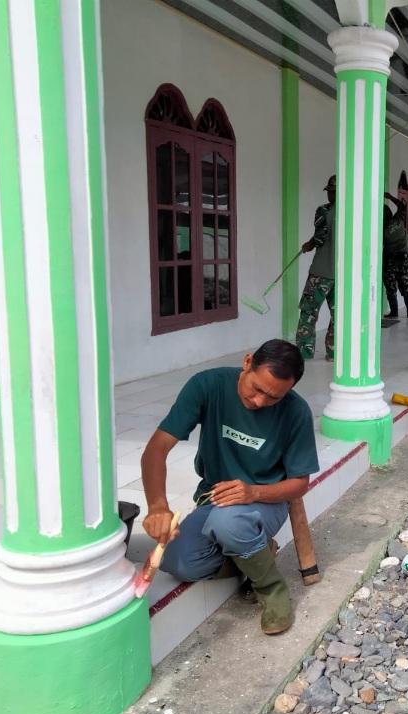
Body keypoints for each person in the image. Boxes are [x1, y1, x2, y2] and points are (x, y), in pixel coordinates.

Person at [140, 339, 319, 635]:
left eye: (273, 397)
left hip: (267, 501)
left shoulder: (296, 412)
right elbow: (156, 449)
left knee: (229, 522)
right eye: (257, 388)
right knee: (179, 560)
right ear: (247, 362)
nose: (260, 401)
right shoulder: (207, 386)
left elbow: (300, 484)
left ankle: (271, 588)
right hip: (215, 496)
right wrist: (157, 505)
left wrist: (254, 493)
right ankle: (260, 552)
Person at [296, 175, 337, 361]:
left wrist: (309, 244)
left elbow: (320, 237)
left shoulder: (324, 210)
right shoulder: (354, 212)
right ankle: (333, 353)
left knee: (309, 312)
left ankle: (304, 353)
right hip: (343, 275)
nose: (329, 195)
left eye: (330, 192)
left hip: (320, 272)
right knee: (340, 315)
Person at [382, 191, 408, 318]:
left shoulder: (383, 230)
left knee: (390, 286)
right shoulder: (398, 219)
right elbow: (402, 206)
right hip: (403, 258)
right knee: (405, 284)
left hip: (390, 259)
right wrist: (390, 197)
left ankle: (394, 312)